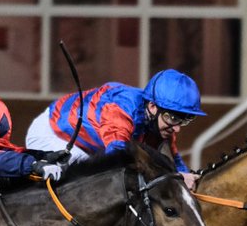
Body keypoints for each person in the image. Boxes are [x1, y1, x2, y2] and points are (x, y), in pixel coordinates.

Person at [25, 69, 202, 188]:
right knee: (96, 182)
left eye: (184, 120)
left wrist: (186, 178)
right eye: (173, 118)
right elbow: (117, 162)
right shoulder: (120, 110)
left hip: (90, 145)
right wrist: (177, 178)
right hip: (53, 134)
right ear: (153, 106)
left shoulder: (163, 122)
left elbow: (175, 160)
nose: (177, 128)